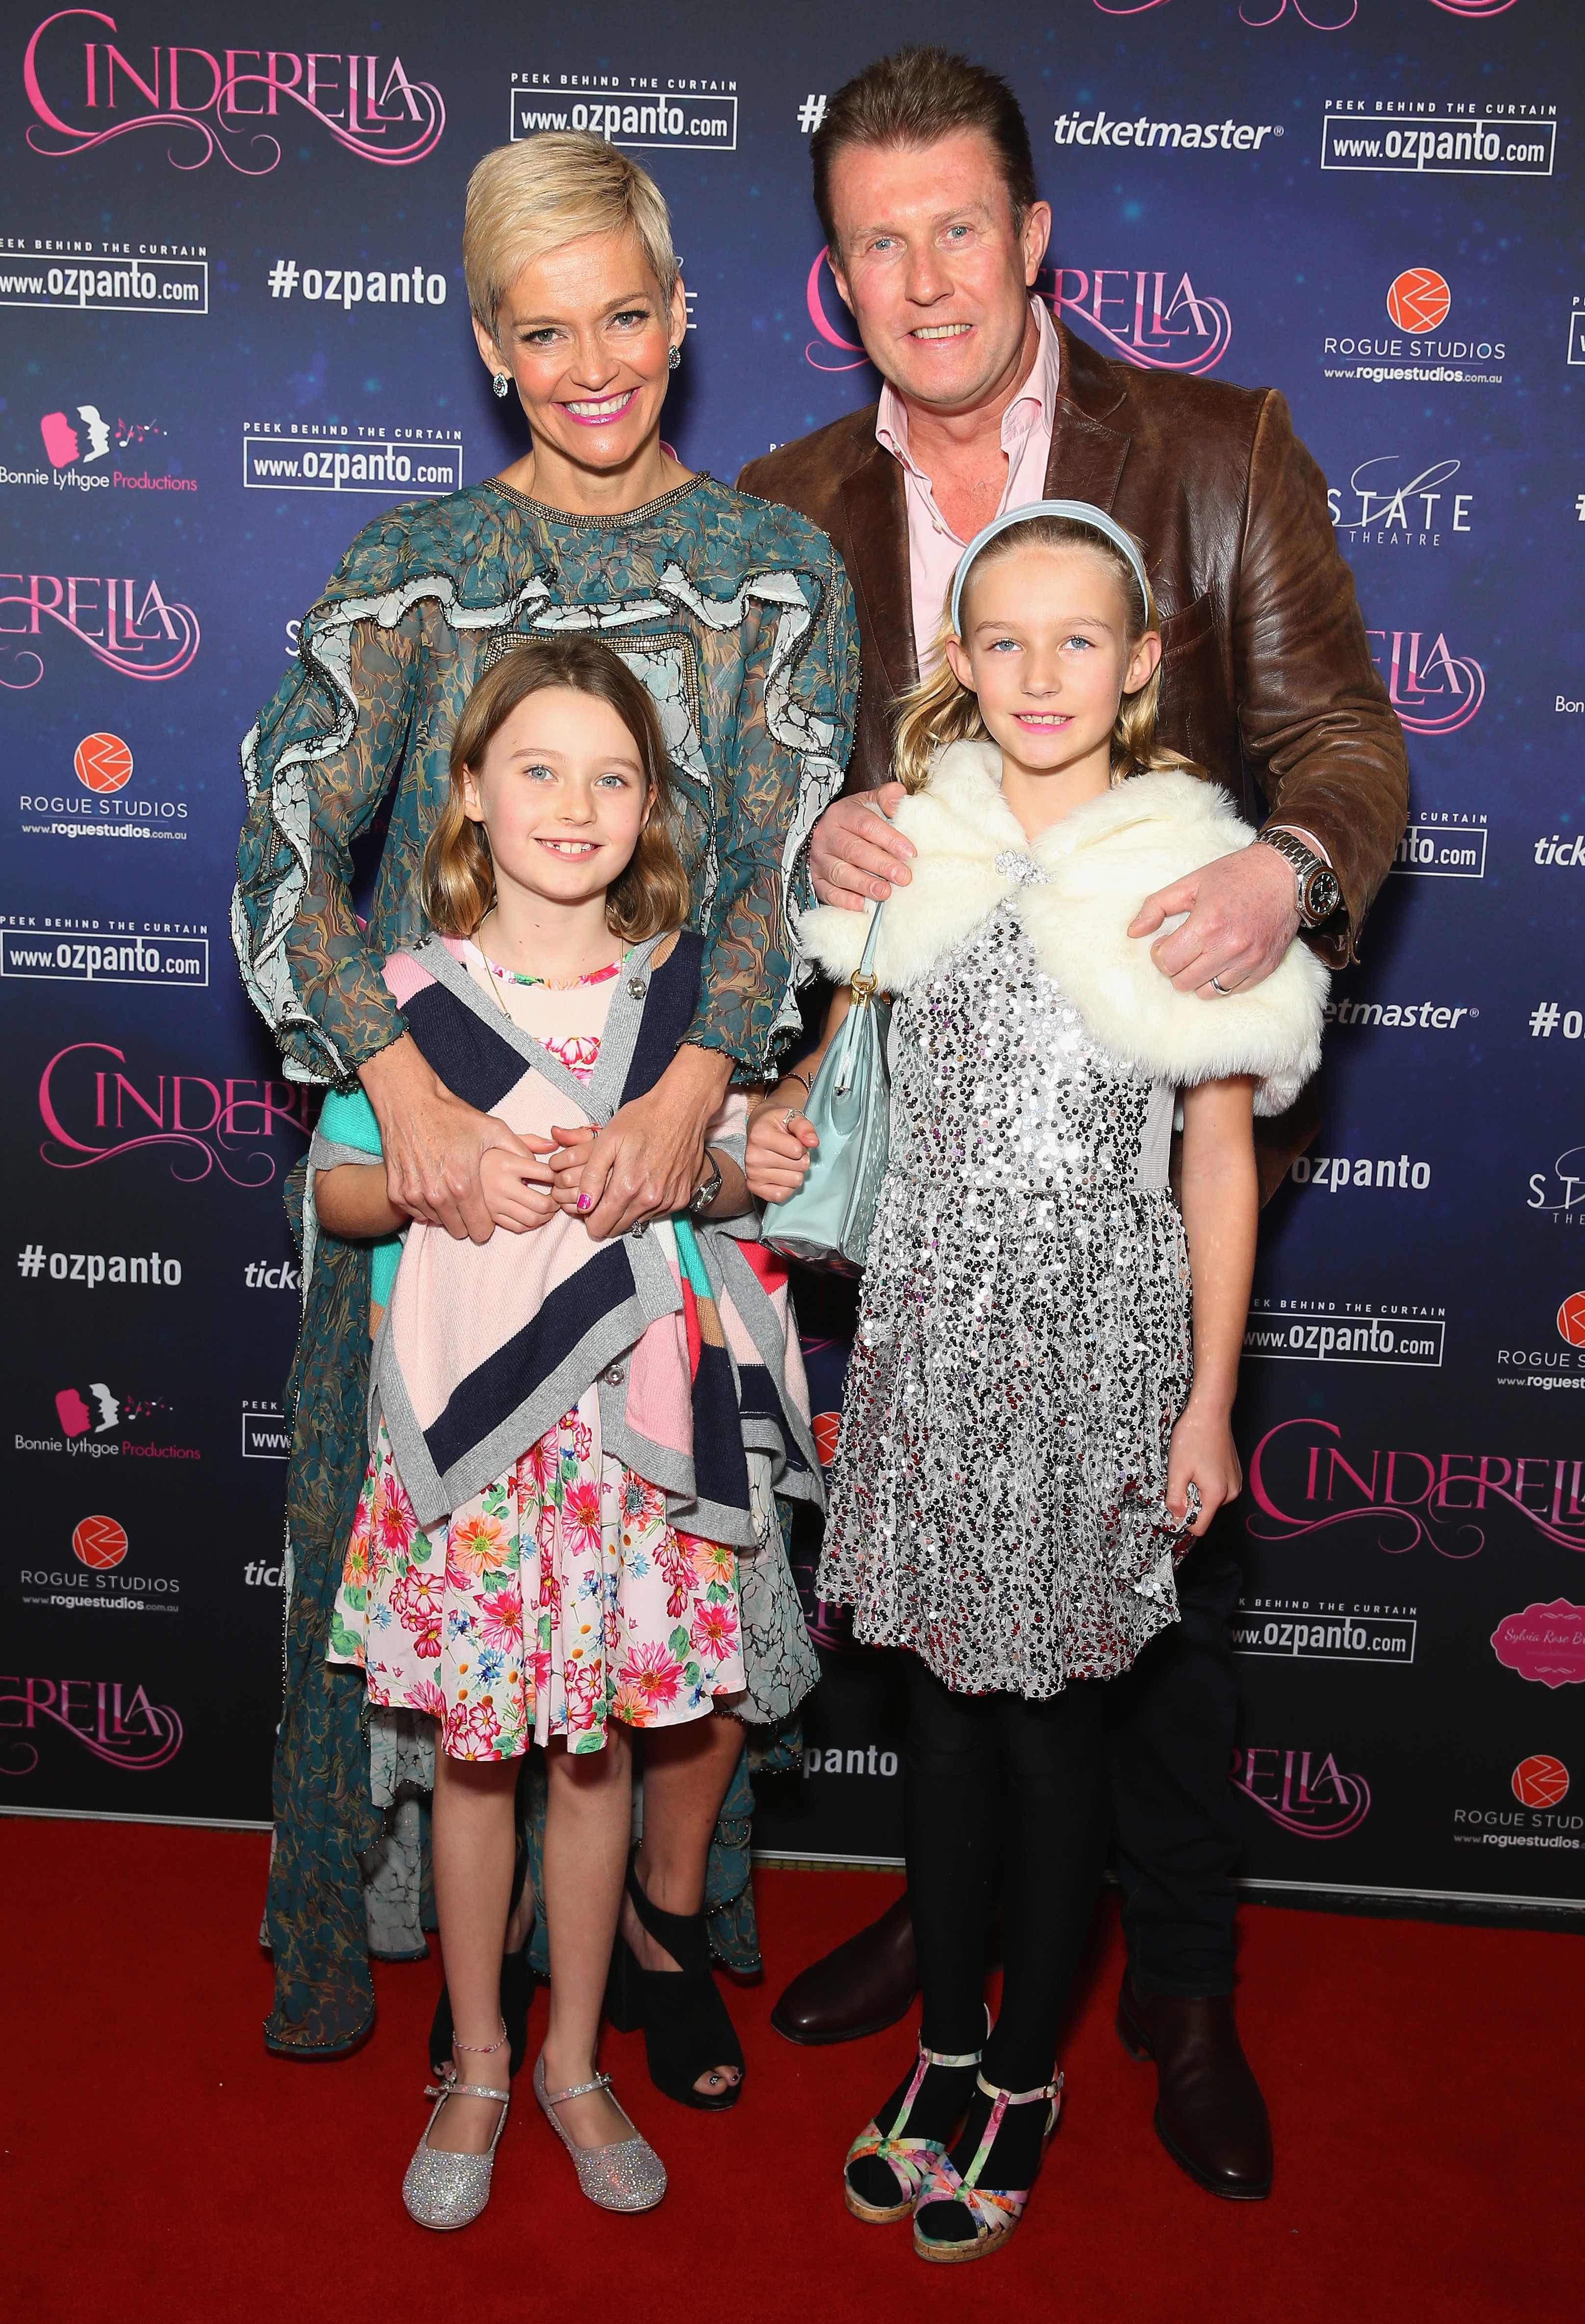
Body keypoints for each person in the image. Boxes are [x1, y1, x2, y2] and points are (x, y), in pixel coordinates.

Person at [739, 47, 1407, 2198]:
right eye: (875, 241)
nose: (922, 275)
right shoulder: (785, 501)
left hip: (1144, 1133)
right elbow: (775, 827)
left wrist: (1278, 876)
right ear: (831, 277)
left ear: (1033, 240)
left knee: (1155, 1615)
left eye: (959, 226)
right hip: (933, 1174)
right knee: (948, 1618)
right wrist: (815, 831)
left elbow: (1341, 746)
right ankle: (960, 1947)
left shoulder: (1213, 451)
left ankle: (1176, 1985)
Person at [234, 132, 858, 2074]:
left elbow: (784, 878)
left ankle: (631, 1972)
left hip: (671, 1182)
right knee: (440, 1597)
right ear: (490, 348)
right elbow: (279, 849)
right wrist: (397, 1093)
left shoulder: (775, 571)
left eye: (622, 319)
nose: (590, 365)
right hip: (449, 1182)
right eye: (541, 330)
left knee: (658, 1626)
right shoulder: (410, 567)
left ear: (678, 318)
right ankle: (448, 1993)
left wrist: (690, 1095)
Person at [748, 505, 1326, 2259]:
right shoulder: (911, 847)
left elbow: (1215, 1159)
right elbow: (835, 1074)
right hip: (929, 1339)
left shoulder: (1188, 858)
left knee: (1060, 1727)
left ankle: (1019, 2073)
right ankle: (939, 2046)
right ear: (957, 665)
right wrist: (777, 1124)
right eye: (1004, 642)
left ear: (1143, 663)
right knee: (935, 1715)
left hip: (1097, 1354)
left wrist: (1208, 1396)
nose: (1042, 674)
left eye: (1081, 640)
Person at [315, 636, 823, 2225]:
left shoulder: (690, 993)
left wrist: (729, 1166)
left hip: (632, 1458)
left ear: (652, 806)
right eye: (536, 767)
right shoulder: (403, 1003)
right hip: (475, 1461)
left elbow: (745, 1178)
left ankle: (574, 2054)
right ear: (468, 794)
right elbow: (332, 1192)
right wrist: (424, 1170)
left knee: (592, 1761)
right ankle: (473, 2054)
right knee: (480, 1764)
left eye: (613, 776)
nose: (575, 802)